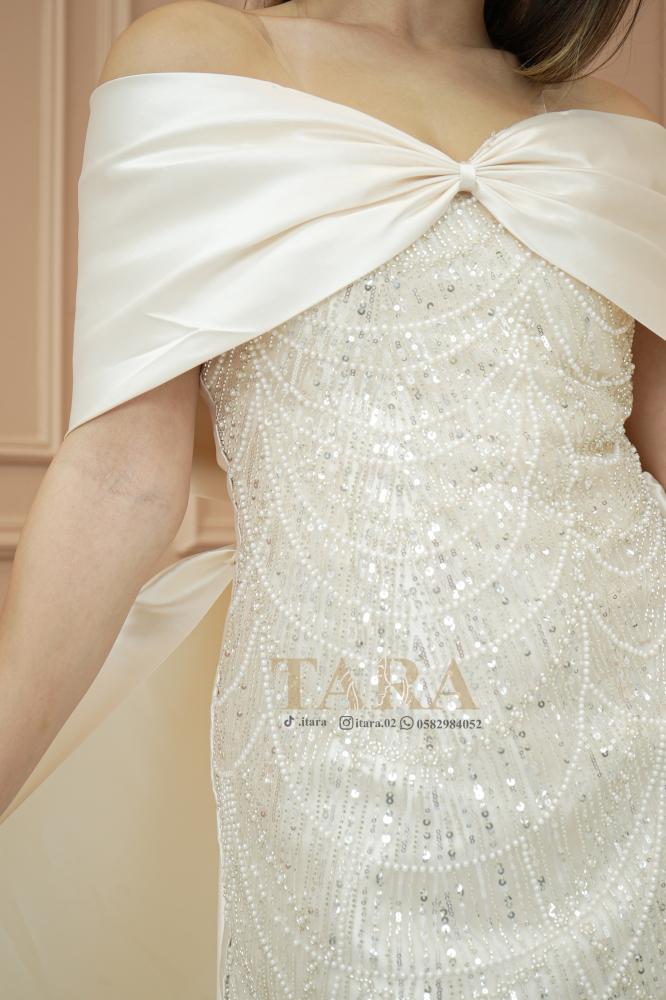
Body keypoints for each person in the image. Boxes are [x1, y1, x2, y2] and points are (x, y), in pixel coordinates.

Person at [1, 0, 665, 997]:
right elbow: (121, 475)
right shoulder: (200, 62)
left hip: (635, 730)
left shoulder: (614, 128)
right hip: (350, 746)